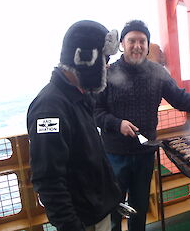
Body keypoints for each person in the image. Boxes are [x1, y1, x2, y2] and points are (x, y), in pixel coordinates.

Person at [94, 19, 190, 231]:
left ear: (147, 44)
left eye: (142, 41)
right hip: (114, 154)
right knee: (113, 207)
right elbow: (96, 112)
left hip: (144, 152)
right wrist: (117, 123)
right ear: (122, 43)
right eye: (132, 40)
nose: (137, 46)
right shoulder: (107, 73)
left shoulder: (157, 73)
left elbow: (182, 99)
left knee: (139, 206)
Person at [27, 20, 122, 231]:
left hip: (98, 211)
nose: (107, 65)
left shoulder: (79, 97)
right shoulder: (49, 110)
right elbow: (48, 181)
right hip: (85, 221)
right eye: (104, 58)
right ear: (85, 59)